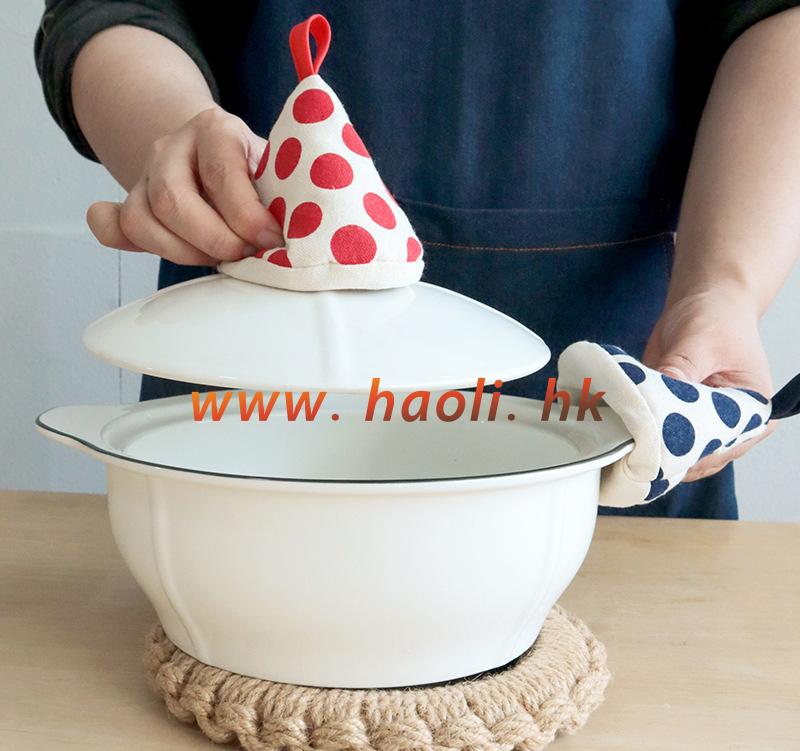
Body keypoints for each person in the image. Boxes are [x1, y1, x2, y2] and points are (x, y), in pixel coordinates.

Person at [35, 1, 800, 519]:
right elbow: (112, 7)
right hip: (251, 404)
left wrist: (723, 289)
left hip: (624, 403)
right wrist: (181, 144)